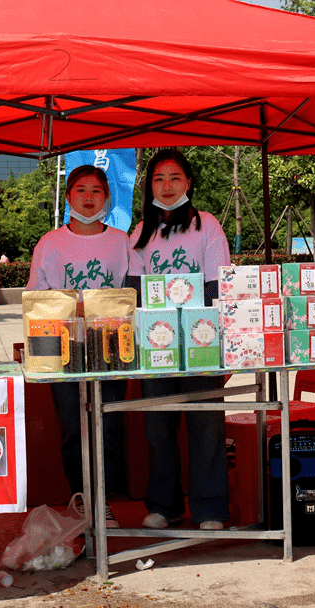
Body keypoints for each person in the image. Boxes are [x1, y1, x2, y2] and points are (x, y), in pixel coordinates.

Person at [127, 149, 230, 531]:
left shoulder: (208, 226)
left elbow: (218, 283)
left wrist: (217, 339)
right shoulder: (140, 232)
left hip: (202, 340)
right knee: (158, 426)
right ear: (149, 186)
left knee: (206, 425)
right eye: (158, 179)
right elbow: (134, 289)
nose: (166, 186)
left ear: (188, 183)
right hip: (155, 343)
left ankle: (211, 509)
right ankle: (165, 506)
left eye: (174, 178)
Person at [26, 165, 130, 526]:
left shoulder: (122, 241)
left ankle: (106, 500)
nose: (88, 197)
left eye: (96, 191)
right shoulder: (50, 243)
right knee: (73, 426)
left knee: (108, 425)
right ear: (68, 196)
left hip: (113, 347)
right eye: (81, 190)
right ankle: (82, 497)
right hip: (63, 347)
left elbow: (133, 293)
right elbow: (35, 296)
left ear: (107, 197)